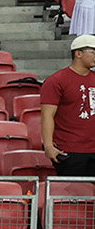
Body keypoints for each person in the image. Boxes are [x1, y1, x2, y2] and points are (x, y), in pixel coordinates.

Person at [41, 34, 95, 176]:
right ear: (78, 53)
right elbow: (47, 115)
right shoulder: (57, 80)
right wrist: (48, 145)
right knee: (73, 193)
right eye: (93, 52)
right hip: (70, 149)